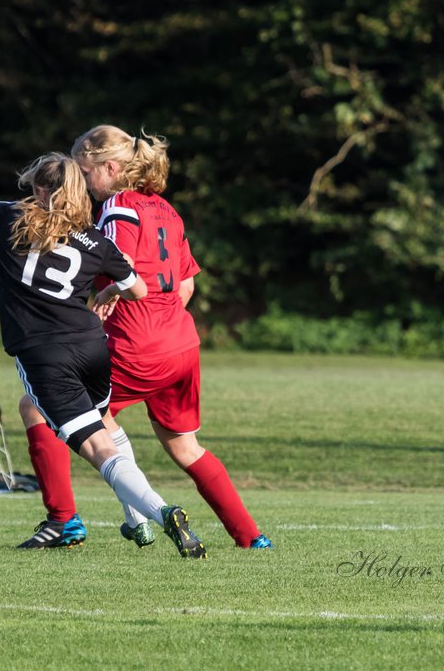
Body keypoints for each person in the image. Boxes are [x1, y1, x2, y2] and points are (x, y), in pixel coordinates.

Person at [0, 152, 207, 558]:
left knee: (98, 449)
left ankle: (161, 511)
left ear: (42, 191)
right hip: (93, 348)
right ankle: (136, 523)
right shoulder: (95, 240)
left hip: (47, 355)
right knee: (105, 424)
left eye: (33, 187)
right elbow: (137, 289)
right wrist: (107, 291)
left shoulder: (8, 216)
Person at [18, 125, 271, 550]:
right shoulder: (167, 210)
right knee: (185, 448)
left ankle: (65, 521)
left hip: (137, 345)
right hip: (182, 345)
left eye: (83, 171)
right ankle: (251, 537)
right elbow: (186, 286)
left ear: (110, 168)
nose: (79, 181)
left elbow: (123, 264)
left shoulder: (117, 206)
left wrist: (109, 290)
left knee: (38, 408)